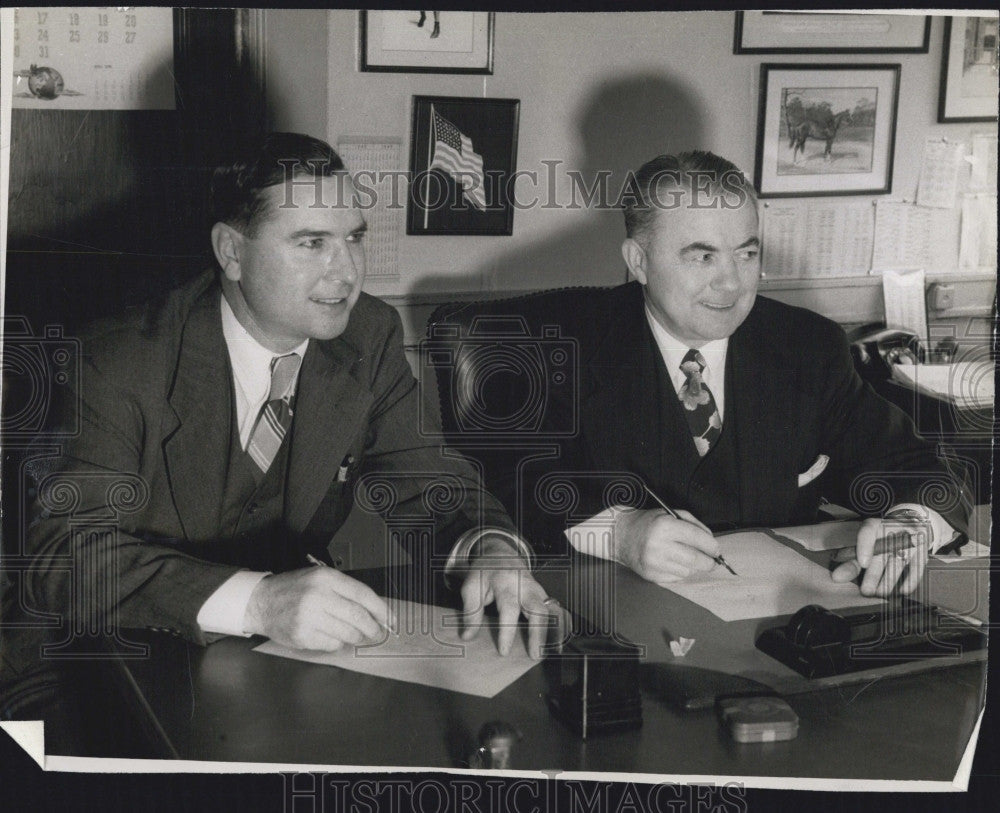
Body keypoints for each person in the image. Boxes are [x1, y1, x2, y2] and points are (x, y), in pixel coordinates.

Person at [15, 132, 551, 658]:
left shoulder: (369, 335)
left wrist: (489, 546)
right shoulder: (116, 360)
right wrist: (257, 603)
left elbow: (429, 480)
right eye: (312, 242)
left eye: (355, 238)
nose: (347, 272)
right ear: (232, 252)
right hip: (108, 658)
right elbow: (59, 555)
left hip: (274, 660)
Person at [442, 152, 970, 598]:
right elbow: (501, 485)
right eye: (702, 257)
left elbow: (921, 465)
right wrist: (617, 531)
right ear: (639, 262)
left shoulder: (806, 347)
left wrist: (912, 525)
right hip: (606, 619)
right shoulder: (554, 347)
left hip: (770, 624)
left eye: (746, 254)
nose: (732, 284)